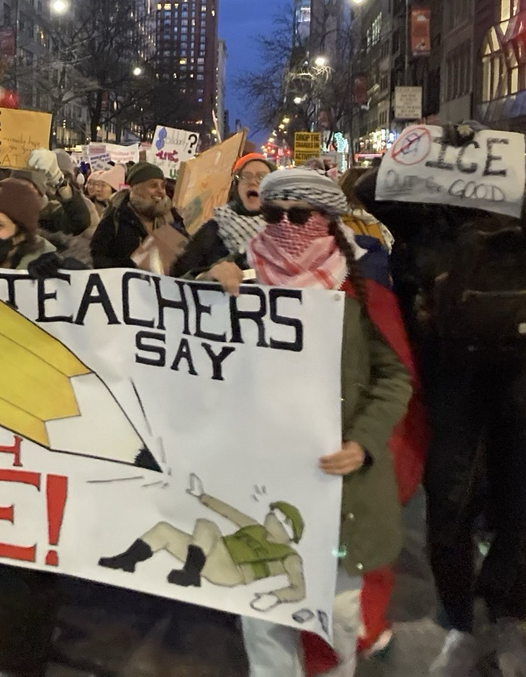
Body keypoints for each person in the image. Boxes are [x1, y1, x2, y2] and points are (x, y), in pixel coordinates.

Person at [356, 123, 526, 677]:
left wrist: (521, 194)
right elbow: (365, 187)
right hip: (452, 378)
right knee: (450, 502)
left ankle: (503, 610)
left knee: (525, 500)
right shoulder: (425, 219)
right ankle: (460, 616)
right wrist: (428, 153)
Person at [199, 168, 411, 677]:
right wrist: (204, 284)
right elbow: (178, 349)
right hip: (257, 475)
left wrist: (362, 442)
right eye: (274, 215)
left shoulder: (363, 292)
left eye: (300, 215)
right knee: (260, 609)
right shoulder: (241, 280)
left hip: (338, 484)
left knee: (337, 612)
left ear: (328, 220)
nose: (287, 226)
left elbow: (394, 379)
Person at [0, 178, 85, 677]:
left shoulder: (59, 267)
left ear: (24, 231)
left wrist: (61, 284)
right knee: (4, 548)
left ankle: (16, 660)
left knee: (30, 553)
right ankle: (21, 646)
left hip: (40, 426)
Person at [171, 152, 271, 278]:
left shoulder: (289, 233)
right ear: (237, 186)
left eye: (262, 177)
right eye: (246, 176)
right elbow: (178, 277)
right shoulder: (212, 228)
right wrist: (208, 276)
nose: (253, 182)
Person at [90, 162, 188, 269]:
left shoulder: (172, 216)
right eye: (153, 185)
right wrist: (133, 265)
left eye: (163, 186)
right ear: (136, 188)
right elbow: (96, 257)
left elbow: (186, 254)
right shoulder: (116, 217)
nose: (160, 191)